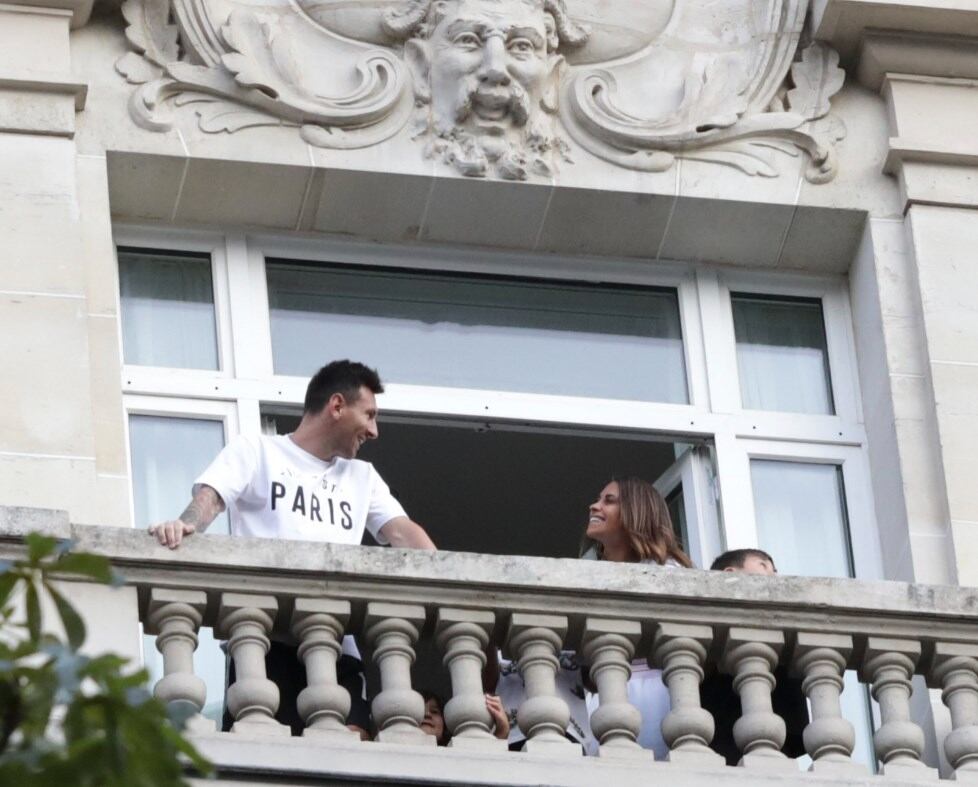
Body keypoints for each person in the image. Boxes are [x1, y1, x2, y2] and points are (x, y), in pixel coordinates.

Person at [148, 360, 437, 735]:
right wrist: (185, 524)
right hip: (264, 645)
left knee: (350, 747)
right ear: (337, 406)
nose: (374, 430)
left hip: (336, 647)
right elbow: (212, 498)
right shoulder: (258, 451)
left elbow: (403, 533)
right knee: (260, 756)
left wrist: (450, 571)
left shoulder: (362, 476)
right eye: (369, 415)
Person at [582, 477, 694, 759]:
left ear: (637, 511)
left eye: (609, 500)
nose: (594, 506)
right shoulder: (586, 573)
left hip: (657, 692)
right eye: (598, 499)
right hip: (603, 694)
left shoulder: (669, 573)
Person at [700, 548, 808, 765]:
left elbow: (795, 723)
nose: (773, 575)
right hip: (721, 740)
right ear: (729, 573)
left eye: (774, 570)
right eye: (763, 565)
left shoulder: (782, 632)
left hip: (773, 742)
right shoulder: (707, 631)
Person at [419, 690, 511, 746]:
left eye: (434, 711)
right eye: (420, 710)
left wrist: (502, 731)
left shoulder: (453, 752)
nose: (427, 714)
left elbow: (484, 761)